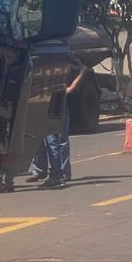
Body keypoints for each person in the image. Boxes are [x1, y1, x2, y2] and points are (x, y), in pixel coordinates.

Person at [30, 60, 88, 188]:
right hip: (41, 104)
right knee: (40, 140)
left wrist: (70, 89)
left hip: (57, 105)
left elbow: (83, 69)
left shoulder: (63, 55)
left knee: (56, 141)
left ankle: (61, 173)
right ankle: (42, 171)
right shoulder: (37, 56)